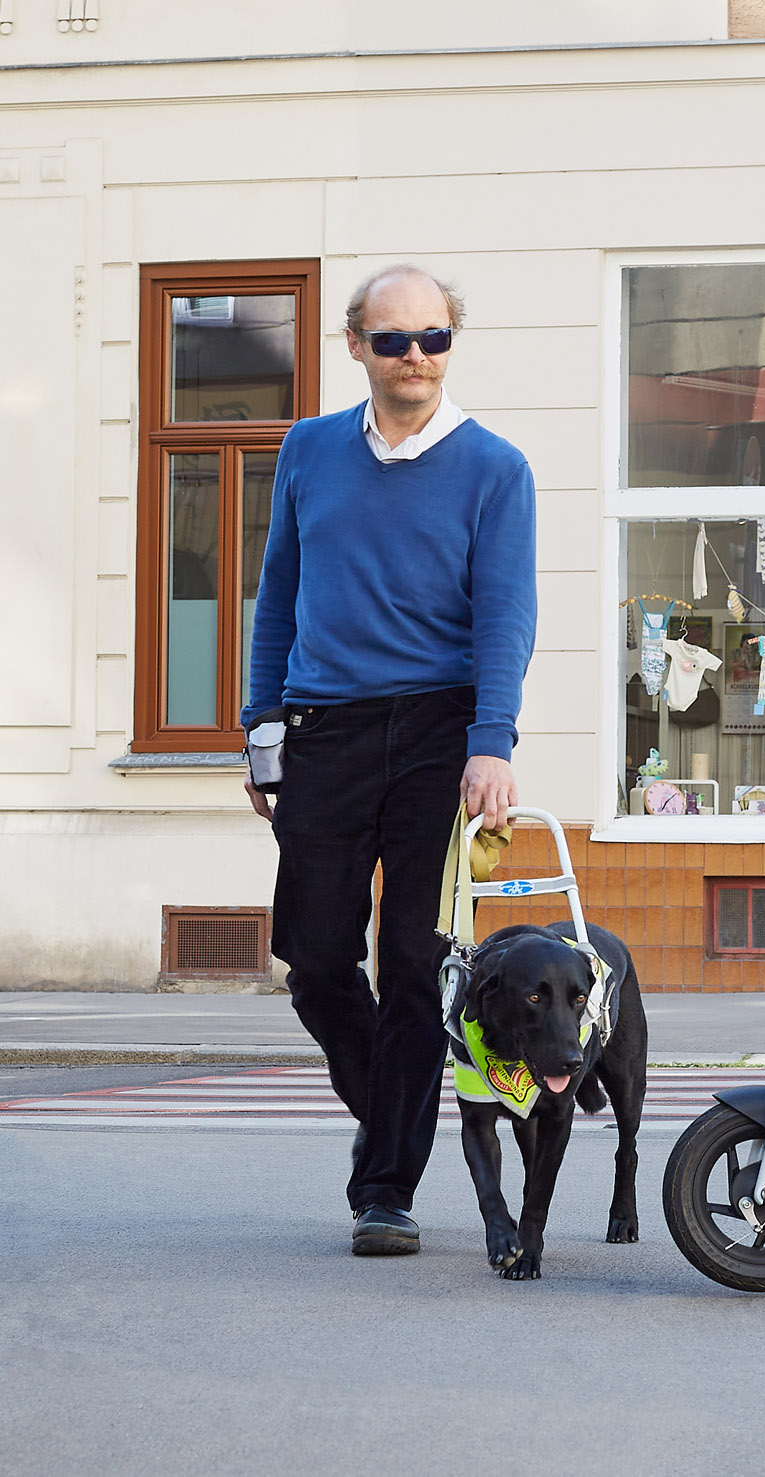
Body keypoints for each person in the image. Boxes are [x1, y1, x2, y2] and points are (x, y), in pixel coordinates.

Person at [241, 264, 537, 1256]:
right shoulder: (309, 450)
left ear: (453, 343)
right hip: (324, 724)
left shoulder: (495, 467)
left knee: (412, 958)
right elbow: (277, 591)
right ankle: (395, 1110)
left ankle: (386, 1189)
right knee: (316, 959)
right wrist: (262, 724)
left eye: (435, 338)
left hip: (438, 733)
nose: (416, 356)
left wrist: (491, 741)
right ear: (355, 345)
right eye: (395, 338)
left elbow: (505, 611)